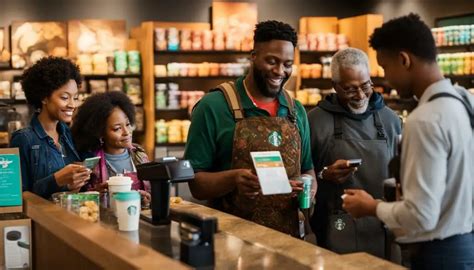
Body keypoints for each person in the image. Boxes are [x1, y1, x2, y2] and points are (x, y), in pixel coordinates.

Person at [342, 13, 474, 269]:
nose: (385, 78)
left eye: (385, 67)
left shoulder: (424, 120)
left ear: (404, 60)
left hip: (438, 255)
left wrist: (372, 207)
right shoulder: (465, 101)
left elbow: (421, 215)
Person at [184, 20, 316, 237]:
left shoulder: (296, 111)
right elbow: (195, 184)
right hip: (231, 238)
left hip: (289, 239)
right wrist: (233, 179)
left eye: (287, 64)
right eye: (271, 61)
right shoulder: (213, 106)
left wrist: (307, 191)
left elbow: (308, 169)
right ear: (253, 56)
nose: (280, 71)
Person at [307, 47, 401, 257]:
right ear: (335, 87)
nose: (359, 95)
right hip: (336, 226)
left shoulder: (391, 120)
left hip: (384, 224)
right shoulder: (314, 121)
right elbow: (303, 174)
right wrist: (324, 174)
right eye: (349, 89)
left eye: (365, 86)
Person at [10, 56, 91, 199]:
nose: (72, 104)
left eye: (75, 98)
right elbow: (15, 196)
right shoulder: (23, 139)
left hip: (71, 216)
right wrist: (56, 180)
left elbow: (72, 190)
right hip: (42, 220)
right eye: (65, 98)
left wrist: (89, 186)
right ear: (44, 98)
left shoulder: (68, 135)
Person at [71, 91, 151, 206]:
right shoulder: (90, 163)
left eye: (128, 124)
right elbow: (75, 201)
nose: (127, 132)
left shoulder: (140, 155)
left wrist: (146, 199)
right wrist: (94, 195)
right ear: (100, 132)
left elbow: (151, 195)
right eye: (117, 128)